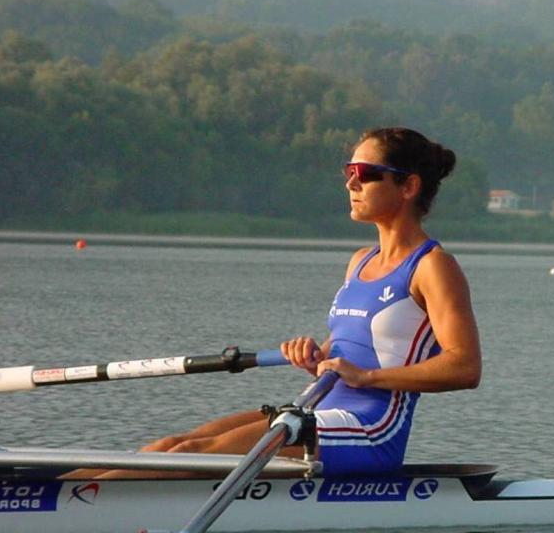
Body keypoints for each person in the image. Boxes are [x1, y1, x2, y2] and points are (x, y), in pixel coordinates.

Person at [84, 127, 481, 479]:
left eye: (364, 174)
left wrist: (367, 378)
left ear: (408, 186)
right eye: (348, 173)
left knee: (193, 455)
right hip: (317, 410)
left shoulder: (433, 267)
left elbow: (464, 366)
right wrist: (315, 356)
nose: (350, 185)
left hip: (370, 429)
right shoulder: (360, 261)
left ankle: (79, 510)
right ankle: (42, 493)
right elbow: (351, 351)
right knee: (171, 445)